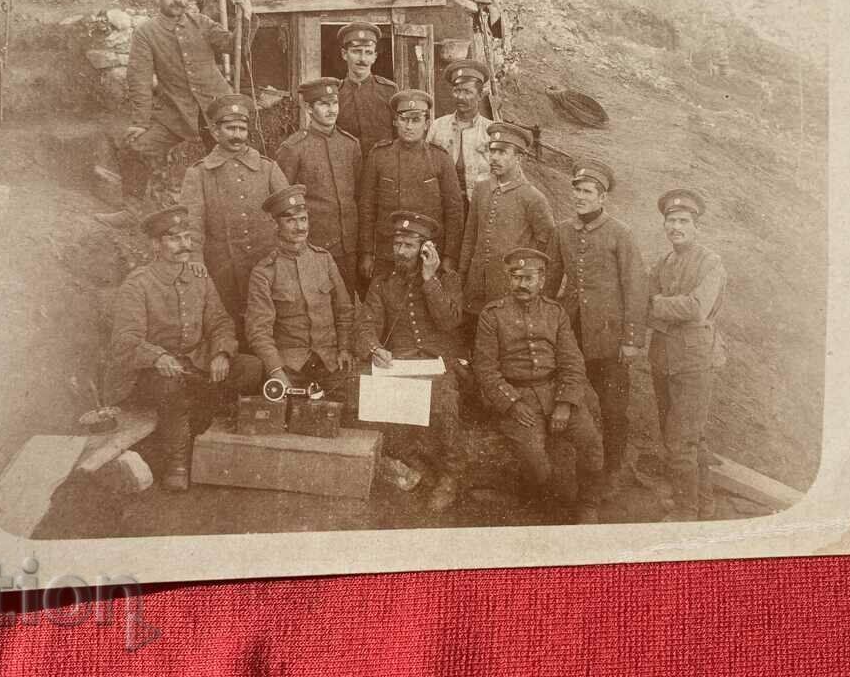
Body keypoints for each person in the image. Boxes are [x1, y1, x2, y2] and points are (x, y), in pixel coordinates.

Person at [106, 205, 263, 491]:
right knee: (170, 386)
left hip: (195, 362)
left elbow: (219, 321)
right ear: (156, 244)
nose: (184, 245)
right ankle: (177, 460)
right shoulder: (138, 285)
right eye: (174, 238)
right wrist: (158, 356)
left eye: (187, 237)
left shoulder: (199, 276)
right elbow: (125, 340)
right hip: (149, 373)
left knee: (251, 368)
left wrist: (221, 353)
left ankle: (204, 427)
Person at [96, 0, 253, 228]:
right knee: (135, 147)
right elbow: (140, 80)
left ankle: (243, 212)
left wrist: (246, 16)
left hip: (218, 111)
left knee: (235, 157)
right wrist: (140, 121)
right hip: (177, 113)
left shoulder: (201, 23)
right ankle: (132, 210)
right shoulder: (146, 33)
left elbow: (234, 46)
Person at [473, 248, 605, 524]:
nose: (522, 284)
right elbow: (485, 368)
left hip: (555, 391)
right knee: (537, 463)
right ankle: (549, 507)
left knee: (591, 442)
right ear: (509, 279)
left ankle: (588, 504)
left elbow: (572, 362)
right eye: (516, 277)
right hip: (518, 396)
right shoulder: (492, 315)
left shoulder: (555, 313)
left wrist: (565, 404)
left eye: (529, 278)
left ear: (542, 280)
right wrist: (512, 404)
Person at [546, 160, 649, 484]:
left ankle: (613, 469)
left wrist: (631, 339)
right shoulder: (562, 230)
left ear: (602, 197)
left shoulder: (620, 234)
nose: (580, 196)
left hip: (609, 337)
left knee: (613, 407)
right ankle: (572, 461)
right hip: (572, 333)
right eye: (577, 189)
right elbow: (551, 280)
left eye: (588, 191)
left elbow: (636, 288)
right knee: (569, 395)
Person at [357, 211, 467, 513]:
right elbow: (367, 323)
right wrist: (374, 347)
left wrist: (430, 279)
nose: (400, 252)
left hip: (437, 363)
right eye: (397, 244)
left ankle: (450, 476)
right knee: (381, 412)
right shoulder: (383, 283)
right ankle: (418, 468)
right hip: (400, 363)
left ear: (426, 249)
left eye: (408, 246)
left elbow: (449, 322)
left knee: (445, 405)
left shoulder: (447, 280)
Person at [647, 188, 727, 522]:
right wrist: (657, 305)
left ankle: (686, 512)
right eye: (671, 220)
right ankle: (704, 503)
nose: (675, 226)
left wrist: (658, 304)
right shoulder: (665, 262)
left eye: (683, 221)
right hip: (664, 360)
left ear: (696, 227)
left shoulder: (710, 262)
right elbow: (644, 296)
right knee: (688, 436)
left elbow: (696, 308)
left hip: (694, 362)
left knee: (682, 441)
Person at [179, 95, 289, 327]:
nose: (237, 135)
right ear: (215, 132)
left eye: (242, 128)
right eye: (230, 128)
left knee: (269, 318)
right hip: (222, 265)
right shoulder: (198, 173)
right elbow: (192, 223)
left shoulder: (268, 168)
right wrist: (196, 258)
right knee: (228, 321)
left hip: (265, 261)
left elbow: (288, 214)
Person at [244, 185, 355, 401]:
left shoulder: (324, 260)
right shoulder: (264, 272)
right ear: (276, 225)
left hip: (331, 362)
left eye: (303, 219)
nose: (300, 227)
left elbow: (344, 310)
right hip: (290, 367)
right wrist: (276, 371)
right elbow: (258, 331)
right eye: (291, 221)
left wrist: (344, 348)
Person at [357, 90, 464, 285]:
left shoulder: (440, 159)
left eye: (416, 120)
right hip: (388, 252)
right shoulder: (379, 156)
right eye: (404, 119)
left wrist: (449, 256)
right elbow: (366, 208)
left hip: (427, 253)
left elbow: (454, 211)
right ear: (395, 121)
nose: (409, 126)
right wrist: (366, 252)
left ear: (426, 124)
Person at [460, 122, 555, 328]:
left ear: (518, 158)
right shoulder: (481, 189)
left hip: (508, 287)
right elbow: (470, 235)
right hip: (476, 284)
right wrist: (463, 273)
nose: (494, 158)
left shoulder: (533, 197)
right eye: (492, 151)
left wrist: (529, 280)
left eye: (502, 152)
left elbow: (546, 245)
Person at [275, 77, 362, 297]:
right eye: (324, 104)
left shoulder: (350, 145)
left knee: (347, 305)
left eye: (334, 103)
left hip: (349, 246)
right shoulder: (293, 148)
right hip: (314, 245)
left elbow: (359, 195)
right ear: (308, 108)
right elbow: (281, 202)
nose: (331, 110)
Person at [425, 59, 493, 211]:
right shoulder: (438, 126)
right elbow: (427, 167)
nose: (460, 97)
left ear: (480, 95)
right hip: (443, 205)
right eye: (457, 90)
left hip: (480, 206)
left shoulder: (491, 131)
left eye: (467, 92)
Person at [336, 22, 396, 156]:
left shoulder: (389, 91)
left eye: (368, 52)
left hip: (382, 168)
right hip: (348, 168)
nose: (362, 59)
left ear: (374, 57)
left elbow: (399, 136)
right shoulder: (336, 93)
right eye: (356, 52)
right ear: (344, 54)